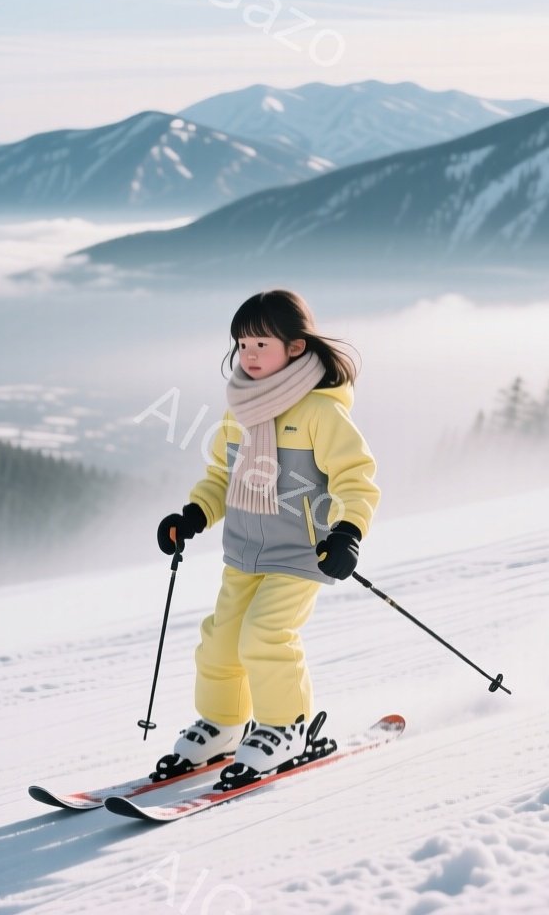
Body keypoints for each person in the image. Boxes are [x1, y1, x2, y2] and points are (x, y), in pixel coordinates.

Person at [153, 288, 380, 785]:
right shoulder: (241, 409)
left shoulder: (321, 413)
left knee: (266, 636)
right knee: (219, 643)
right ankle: (225, 724)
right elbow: (220, 475)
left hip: (301, 554)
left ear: (296, 347)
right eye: (242, 345)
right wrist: (193, 516)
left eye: (261, 344)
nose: (249, 356)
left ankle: (288, 726)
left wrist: (347, 532)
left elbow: (355, 480)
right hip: (244, 553)